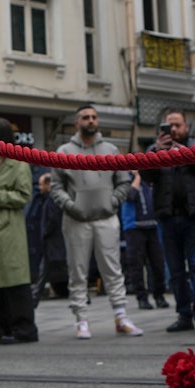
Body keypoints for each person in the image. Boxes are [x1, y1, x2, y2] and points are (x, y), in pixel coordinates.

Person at [50, 104, 142, 339]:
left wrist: (112, 202)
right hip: (75, 221)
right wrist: (71, 206)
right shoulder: (64, 151)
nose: (91, 120)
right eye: (85, 117)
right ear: (77, 122)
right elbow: (56, 187)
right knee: (78, 271)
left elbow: (124, 182)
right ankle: (81, 319)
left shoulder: (111, 150)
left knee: (113, 270)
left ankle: (121, 316)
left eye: (94, 117)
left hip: (107, 218)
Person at [143, 109, 195, 333]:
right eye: (169, 126)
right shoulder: (154, 150)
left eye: (177, 125)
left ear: (186, 127)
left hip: (194, 218)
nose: (173, 130)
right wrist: (158, 152)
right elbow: (145, 176)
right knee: (175, 271)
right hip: (167, 219)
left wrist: (186, 153)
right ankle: (184, 315)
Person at [0, 117, 38, 345]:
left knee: (13, 279)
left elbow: (24, 195)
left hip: (9, 228)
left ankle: (22, 328)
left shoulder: (18, 163)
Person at [120, 171, 167, 310]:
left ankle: (159, 295)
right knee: (137, 265)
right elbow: (130, 195)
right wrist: (138, 177)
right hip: (134, 227)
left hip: (152, 225)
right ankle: (142, 298)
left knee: (158, 264)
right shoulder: (125, 181)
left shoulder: (149, 180)